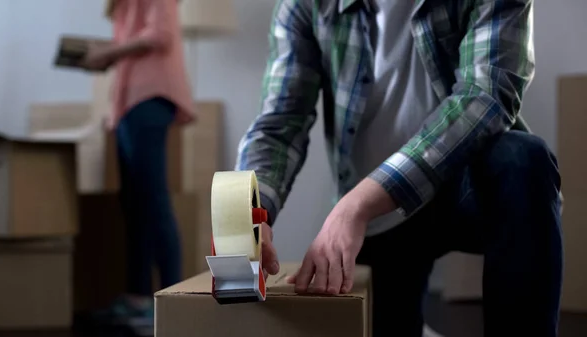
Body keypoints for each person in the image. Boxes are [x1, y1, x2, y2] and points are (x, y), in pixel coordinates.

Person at [237, 0, 562, 336]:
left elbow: (486, 97)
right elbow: (280, 123)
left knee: (524, 161)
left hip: (461, 185)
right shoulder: (304, 5)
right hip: (380, 222)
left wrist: (357, 204)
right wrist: (249, 212)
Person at [81, 0, 195, 329]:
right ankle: (138, 297)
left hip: (148, 98)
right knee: (134, 205)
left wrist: (110, 53)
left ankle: (172, 301)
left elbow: (160, 35)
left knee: (154, 202)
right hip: (131, 102)